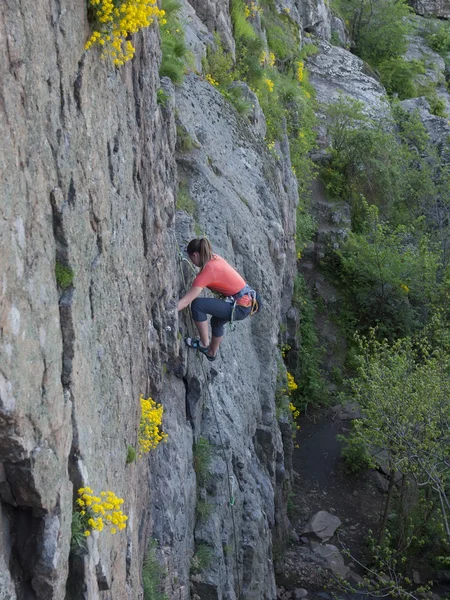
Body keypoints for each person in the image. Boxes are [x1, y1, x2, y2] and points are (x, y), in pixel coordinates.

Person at [177, 238, 255, 362]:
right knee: (216, 321)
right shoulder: (214, 257)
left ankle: (204, 344)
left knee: (197, 305)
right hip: (247, 301)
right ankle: (211, 353)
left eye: (191, 258)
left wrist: (170, 310)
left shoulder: (207, 273)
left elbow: (186, 301)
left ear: (196, 254)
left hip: (240, 306)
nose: (191, 262)